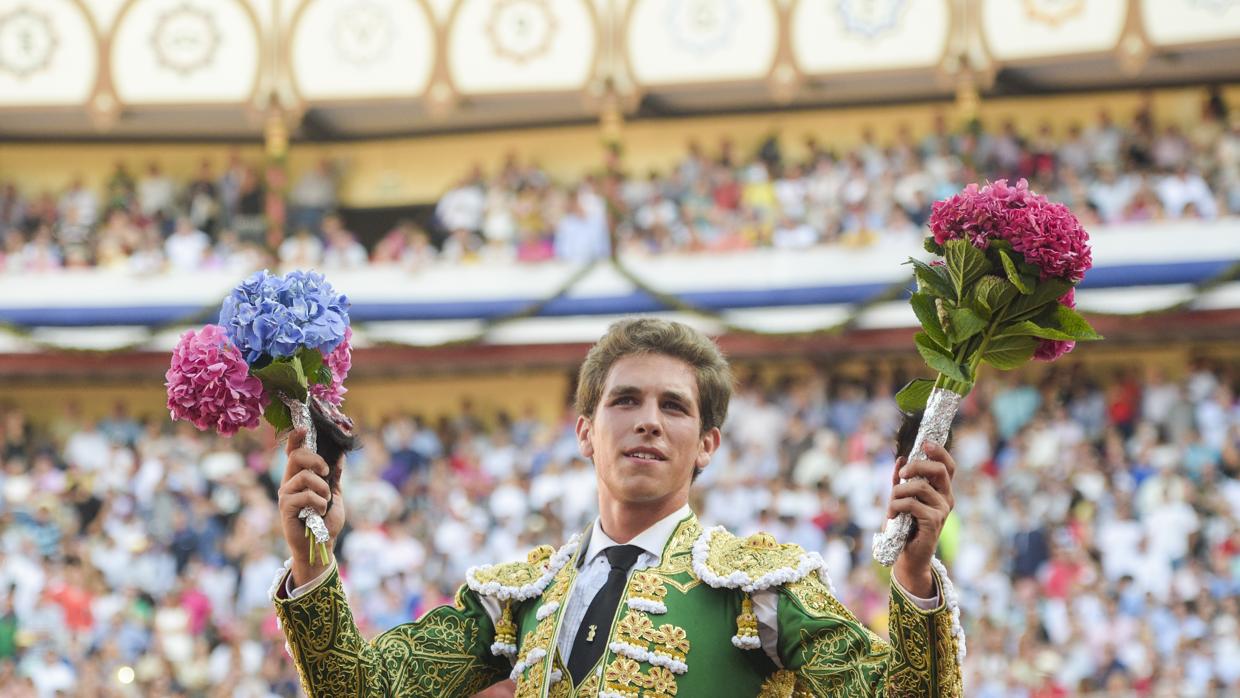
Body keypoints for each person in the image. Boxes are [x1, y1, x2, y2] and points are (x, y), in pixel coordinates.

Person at [271, 318, 965, 696]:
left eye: (674, 407)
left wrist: (912, 581)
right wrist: (311, 563)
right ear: (584, 433)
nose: (649, 422)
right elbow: (358, 693)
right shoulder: (517, 597)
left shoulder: (761, 590)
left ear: (707, 444)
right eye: (625, 401)